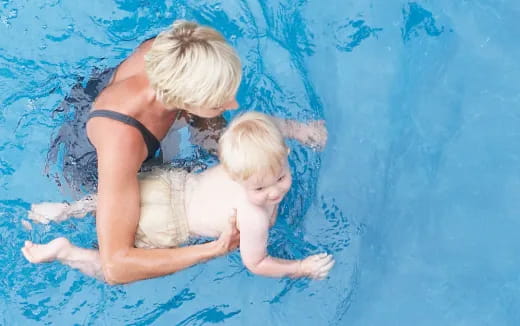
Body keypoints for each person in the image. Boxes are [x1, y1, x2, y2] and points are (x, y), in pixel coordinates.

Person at [64, 19, 327, 284]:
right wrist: (213, 249)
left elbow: (207, 123)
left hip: (129, 103)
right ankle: (68, 233)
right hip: (93, 158)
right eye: (219, 102)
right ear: (184, 102)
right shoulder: (121, 142)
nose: (233, 104)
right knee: (143, 231)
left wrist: (287, 134)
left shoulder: (183, 48)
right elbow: (117, 266)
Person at [23, 112, 335, 280]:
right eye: (260, 189)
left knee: (116, 200)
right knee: (113, 266)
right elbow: (257, 262)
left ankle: (68, 209)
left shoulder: (244, 149)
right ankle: (68, 252)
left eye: (280, 177)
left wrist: (299, 129)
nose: (274, 192)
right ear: (239, 177)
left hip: (166, 184)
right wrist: (300, 268)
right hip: (168, 223)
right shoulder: (254, 216)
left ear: (285, 153)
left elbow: (263, 125)